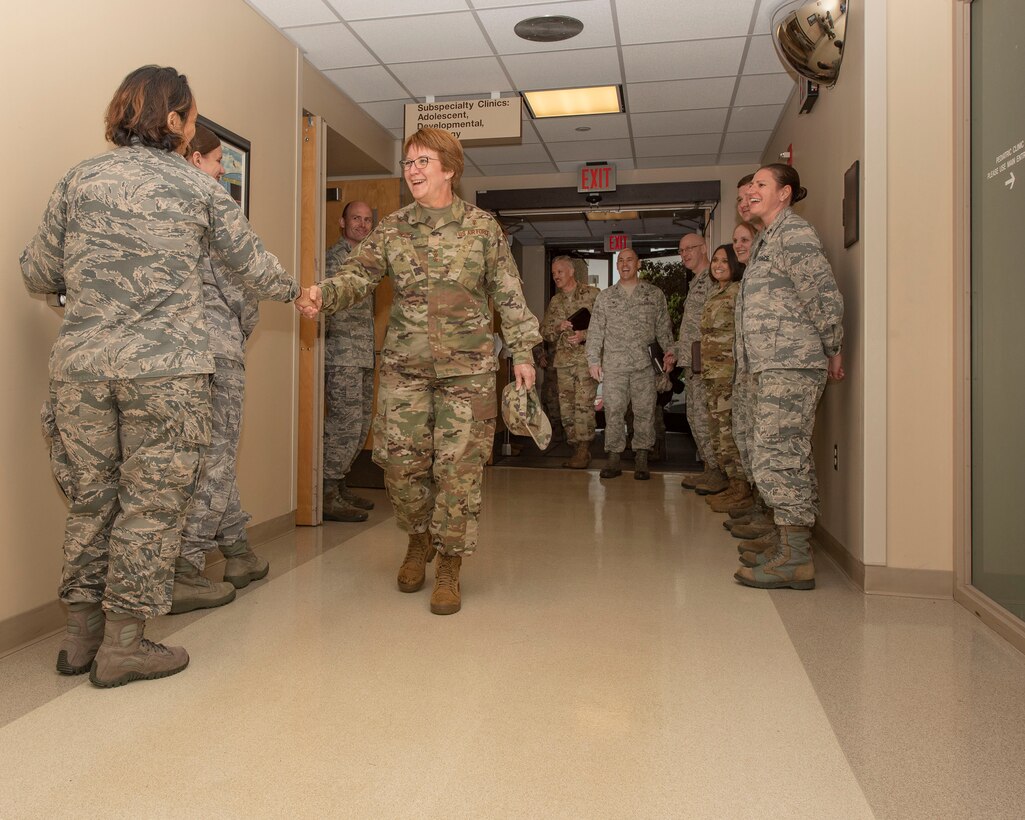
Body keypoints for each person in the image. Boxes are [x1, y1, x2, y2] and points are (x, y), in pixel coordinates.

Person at [21, 65, 307, 687]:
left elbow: (37, 272)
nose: (193, 129)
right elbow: (254, 268)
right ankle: (124, 645)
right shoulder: (198, 188)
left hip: (83, 373)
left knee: (91, 502)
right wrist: (299, 294)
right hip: (167, 375)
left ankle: (80, 638)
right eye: (192, 119)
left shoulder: (78, 179)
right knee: (149, 507)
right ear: (172, 121)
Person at [306, 128, 541, 616]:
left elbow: (508, 292)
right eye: (409, 161)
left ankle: (450, 562)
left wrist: (522, 352)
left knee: (458, 474)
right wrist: (322, 295)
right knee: (401, 469)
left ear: (449, 169)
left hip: (468, 373)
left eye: (423, 161)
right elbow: (358, 276)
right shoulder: (393, 229)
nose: (412, 169)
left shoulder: (482, 228)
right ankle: (419, 537)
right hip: (405, 371)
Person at [167, 124, 268, 615]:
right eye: (215, 160)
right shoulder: (210, 207)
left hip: (169, 354)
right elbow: (245, 288)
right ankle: (185, 565)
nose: (221, 169)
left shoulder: (159, 207)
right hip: (215, 349)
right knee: (216, 457)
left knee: (204, 452)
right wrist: (237, 329)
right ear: (194, 158)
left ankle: (238, 552)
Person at [733, 163, 845, 591]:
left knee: (777, 455)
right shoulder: (768, 240)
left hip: (790, 362)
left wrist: (833, 348)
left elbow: (823, 295)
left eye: (762, 185)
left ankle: (795, 558)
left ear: (785, 193)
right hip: (771, 363)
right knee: (783, 453)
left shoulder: (794, 234)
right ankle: (790, 545)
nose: (753, 192)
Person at [585, 248, 675, 481]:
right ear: (617, 267)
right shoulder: (606, 297)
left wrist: (670, 354)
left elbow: (664, 328)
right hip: (615, 366)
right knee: (613, 411)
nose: (625, 265)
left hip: (644, 366)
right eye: (620, 261)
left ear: (638, 264)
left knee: (644, 412)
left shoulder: (654, 295)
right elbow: (596, 331)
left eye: (629, 260)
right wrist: (593, 360)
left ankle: (642, 457)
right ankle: (614, 457)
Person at [322, 201, 377, 523]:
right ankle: (327, 491)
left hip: (364, 355)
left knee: (359, 427)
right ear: (342, 222)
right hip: (340, 355)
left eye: (367, 220)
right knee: (343, 425)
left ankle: (340, 484)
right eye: (356, 218)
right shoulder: (334, 259)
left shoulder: (368, 261)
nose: (362, 224)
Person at [699, 244, 750, 513]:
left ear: (735, 264)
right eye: (715, 260)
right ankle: (732, 483)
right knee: (718, 431)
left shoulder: (738, 292)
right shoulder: (716, 292)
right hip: (712, 374)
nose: (718, 265)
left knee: (729, 432)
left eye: (724, 260)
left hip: (728, 374)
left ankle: (742, 489)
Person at [675, 232, 724, 494]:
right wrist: (675, 351)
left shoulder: (713, 281)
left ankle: (718, 472)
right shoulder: (696, 282)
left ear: (704, 248)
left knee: (706, 418)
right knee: (695, 417)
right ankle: (709, 468)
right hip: (691, 363)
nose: (684, 254)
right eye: (681, 250)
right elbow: (691, 328)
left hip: (707, 364)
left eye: (689, 249)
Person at [541, 255, 600, 469]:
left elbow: (605, 327)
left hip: (586, 361)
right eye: (554, 273)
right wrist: (557, 328)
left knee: (583, 406)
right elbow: (545, 333)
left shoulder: (593, 295)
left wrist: (584, 334)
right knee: (566, 409)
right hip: (563, 363)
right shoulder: (555, 302)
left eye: (560, 272)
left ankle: (584, 450)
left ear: (571, 271)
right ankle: (575, 447)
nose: (556, 276)